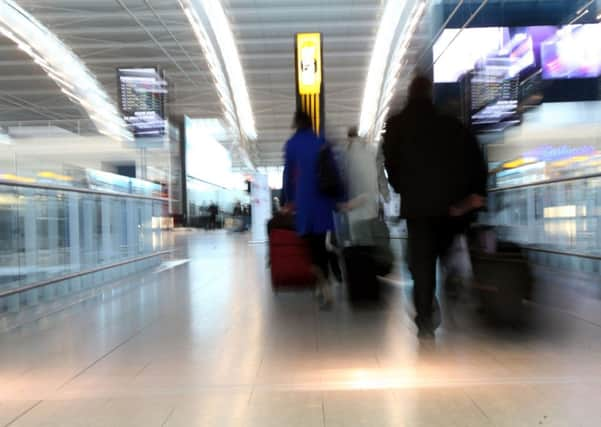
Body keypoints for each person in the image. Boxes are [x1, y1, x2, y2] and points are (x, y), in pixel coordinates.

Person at [382, 75, 487, 339]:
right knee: (446, 254)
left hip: (417, 208)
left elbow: (391, 165)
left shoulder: (396, 125)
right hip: (449, 208)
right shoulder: (449, 125)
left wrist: (402, 187)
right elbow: (472, 156)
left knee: (422, 266)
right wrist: (473, 195)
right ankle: (453, 289)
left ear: (409, 93)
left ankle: (425, 322)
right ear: (430, 94)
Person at [283, 111, 337, 309]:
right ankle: (324, 282)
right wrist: (339, 198)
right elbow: (334, 172)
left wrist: (288, 201)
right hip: (322, 202)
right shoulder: (321, 141)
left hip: (305, 202)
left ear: (297, 123)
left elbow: (288, 175)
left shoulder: (291, 144)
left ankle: (323, 285)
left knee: (310, 247)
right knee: (319, 243)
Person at [339, 126, 390, 242]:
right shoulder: (370, 152)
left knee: (360, 246)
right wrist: (385, 196)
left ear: (348, 138)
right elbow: (380, 176)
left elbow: (344, 181)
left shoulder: (347, 155)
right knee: (371, 244)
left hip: (355, 211)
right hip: (372, 209)